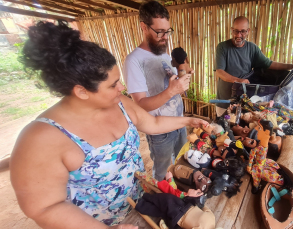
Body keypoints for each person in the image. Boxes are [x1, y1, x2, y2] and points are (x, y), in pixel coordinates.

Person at [10, 21, 208, 229]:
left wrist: (189, 120)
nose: (121, 88)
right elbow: (44, 207)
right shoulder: (41, 138)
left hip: (144, 206)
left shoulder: (119, 103)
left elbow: (154, 123)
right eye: (113, 85)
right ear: (81, 91)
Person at [123, 1, 192, 181]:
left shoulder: (163, 54)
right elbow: (140, 105)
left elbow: (171, 83)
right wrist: (171, 91)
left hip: (179, 122)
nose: (165, 37)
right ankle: (164, 201)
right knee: (163, 172)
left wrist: (183, 74)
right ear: (144, 27)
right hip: (159, 132)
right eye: (159, 32)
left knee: (183, 162)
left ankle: (181, 195)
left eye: (167, 31)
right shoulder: (134, 61)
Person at [215, 16, 293, 117]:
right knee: (223, 128)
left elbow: (269, 64)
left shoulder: (252, 48)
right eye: (236, 31)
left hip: (244, 103)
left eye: (243, 31)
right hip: (224, 101)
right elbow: (219, 72)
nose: (239, 35)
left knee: (241, 130)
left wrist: (292, 66)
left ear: (248, 31)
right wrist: (238, 80)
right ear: (232, 30)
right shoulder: (223, 47)